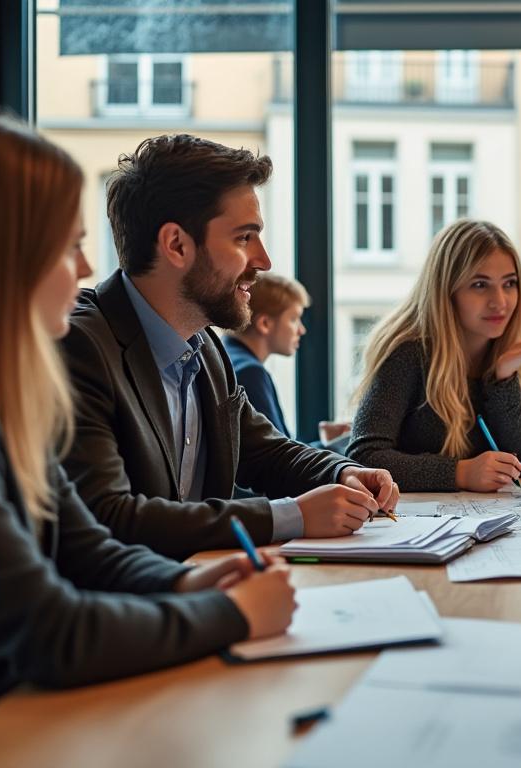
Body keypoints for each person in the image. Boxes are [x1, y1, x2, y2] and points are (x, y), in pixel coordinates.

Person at [0, 115, 297, 761]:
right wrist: (236, 615)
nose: (85, 267)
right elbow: (51, 632)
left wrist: (190, 585)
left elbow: (91, 551)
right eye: (67, 246)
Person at [60, 134, 398, 560]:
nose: (264, 260)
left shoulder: (205, 347)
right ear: (177, 245)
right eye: (244, 238)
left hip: (201, 591)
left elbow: (265, 452)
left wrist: (343, 471)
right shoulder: (80, 347)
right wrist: (288, 516)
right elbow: (110, 517)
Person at [348, 219, 521, 492]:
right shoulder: (408, 351)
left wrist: (504, 378)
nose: (500, 301)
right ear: (447, 290)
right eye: (480, 285)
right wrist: (460, 473)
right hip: (416, 523)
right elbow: (363, 457)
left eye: (509, 283)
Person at [223, 272, 351, 449]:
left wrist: (323, 444)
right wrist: (334, 446)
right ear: (265, 324)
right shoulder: (250, 373)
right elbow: (275, 458)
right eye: (294, 319)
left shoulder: (226, 357)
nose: (301, 330)